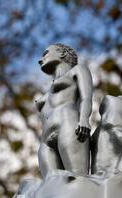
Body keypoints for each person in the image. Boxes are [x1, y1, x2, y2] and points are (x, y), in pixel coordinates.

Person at [35, 44, 93, 177]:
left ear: (61, 53)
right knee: (51, 189)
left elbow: (86, 98)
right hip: (45, 141)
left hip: (68, 127)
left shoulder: (77, 70)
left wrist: (84, 118)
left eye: (45, 53)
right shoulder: (45, 95)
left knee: (78, 179)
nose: (40, 59)